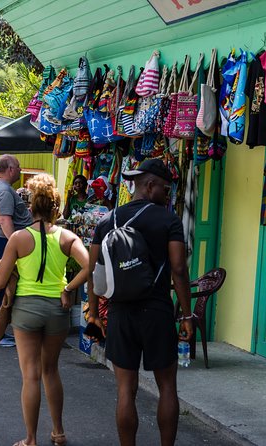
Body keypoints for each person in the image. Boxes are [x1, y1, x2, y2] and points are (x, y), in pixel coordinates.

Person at [87, 159, 193, 446]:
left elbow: (92, 270)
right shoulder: (168, 220)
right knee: (167, 386)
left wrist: (94, 313)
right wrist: (186, 315)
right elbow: (179, 269)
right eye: (166, 189)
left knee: (125, 389)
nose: (168, 195)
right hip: (157, 310)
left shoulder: (108, 220)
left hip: (121, 312)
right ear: (149, 186)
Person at [0, 173, 89, 446]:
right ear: (55, 207)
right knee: (51, 370)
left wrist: (5, 272)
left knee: (31, 375)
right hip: (57, 310)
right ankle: (58, 432)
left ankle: (31, 439)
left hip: (25, 310)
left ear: (30, 207)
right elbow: (89, 266)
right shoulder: (68, 237)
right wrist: (68, 288)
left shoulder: (19, 238)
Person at [0, 155, 32, 347]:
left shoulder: (0, 188)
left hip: (1, 241)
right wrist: (15, 245)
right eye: (18, 167)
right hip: (2, 242)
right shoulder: (3, 191)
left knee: (0, 286)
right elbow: (4, 220)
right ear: (10, 168)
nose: (20, 170)